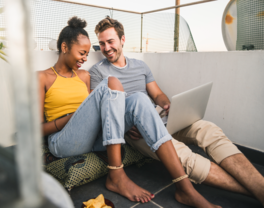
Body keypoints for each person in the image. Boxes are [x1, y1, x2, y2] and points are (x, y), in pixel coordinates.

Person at [39, 17, 221, 208]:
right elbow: (38, 130)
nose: (85, 58)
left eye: (87, 54)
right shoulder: (42, 77)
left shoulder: (84, 76)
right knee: (111, 81)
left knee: (140, 99)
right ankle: (116, 175)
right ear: (65, 47)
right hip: (62, 141)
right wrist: (70, 119)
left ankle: (185, 188)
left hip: (90, 137)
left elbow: (94, 112)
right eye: (82, 53)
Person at [89, 17, 264, 207]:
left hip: (162, 120)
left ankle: (259, 187)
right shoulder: (97, 72)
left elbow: (158, 94)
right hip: (136, 130)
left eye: (110, 41)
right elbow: (103, 112)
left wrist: (167, 106)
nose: (106, 48)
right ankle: (258, 190)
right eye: (102, 43)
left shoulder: (141, 66)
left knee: (208, 130)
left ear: (122, 40)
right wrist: (128, 124)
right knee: (187, 157)